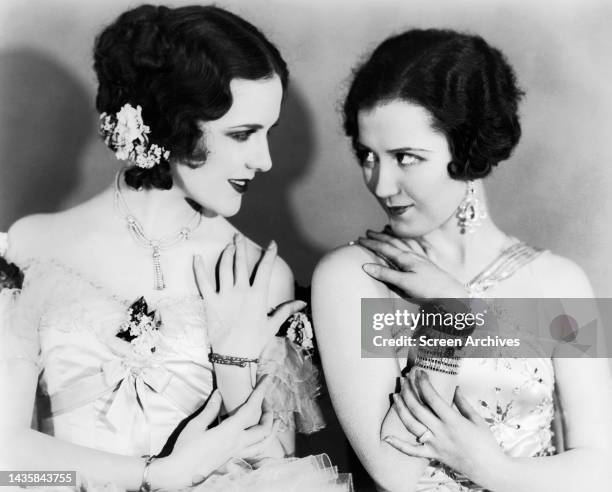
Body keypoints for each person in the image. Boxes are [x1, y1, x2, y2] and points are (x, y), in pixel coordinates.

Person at [0, 5, 350, 491]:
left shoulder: (258, 273)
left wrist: (234, 368)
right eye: (243, 134)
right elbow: (8, 464)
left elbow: (276, 474)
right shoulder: (31, 245)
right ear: (174, 124)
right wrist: (152, 476)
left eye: (268, 131)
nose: (265, 160)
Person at [312, 28, 612, 491]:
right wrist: (449, 315)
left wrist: (498, 473)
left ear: (467, 150)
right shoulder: (351, 277)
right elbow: (397, 473)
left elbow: (599, 467)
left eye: (405, 157)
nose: (381, 184)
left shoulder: (561, 283)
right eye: (366, 156)